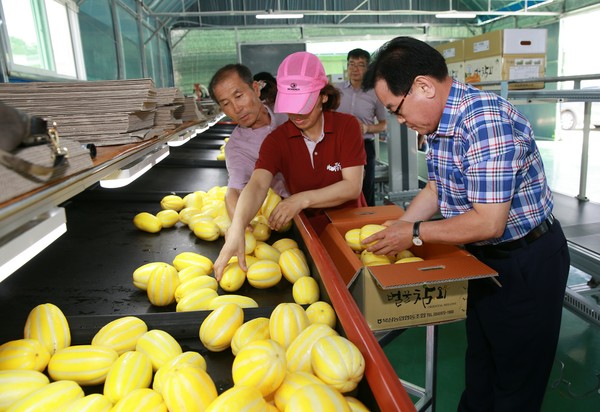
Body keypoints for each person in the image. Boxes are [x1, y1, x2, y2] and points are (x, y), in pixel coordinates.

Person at [361, 36, 570, 412]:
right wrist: (399, 225)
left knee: (516, 381)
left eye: (396, 110)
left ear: (423, 86)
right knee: (482, 364)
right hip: (483, 259)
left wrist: (412, 233)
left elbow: (489, 221)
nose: (400, 121)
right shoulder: (440, 122)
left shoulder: (484, 122)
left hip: (525, 263)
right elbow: (440, 186)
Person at [213, 51, 367, 281]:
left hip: (353, 230)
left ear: (323, 96)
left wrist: (300, 199)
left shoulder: (347, 126)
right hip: (309, 234)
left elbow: (352, 187)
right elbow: (256, 185)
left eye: (304, 103)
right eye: (291, 104)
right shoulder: (276, 141)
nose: (296, 113)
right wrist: (237, 227)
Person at [208, 64, 289, 219]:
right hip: (292, 211)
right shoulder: (237, 147)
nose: (236, 108)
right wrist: (239, 228)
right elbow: (235, 190)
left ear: (256, 89)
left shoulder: (287, 111)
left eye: (239, 96)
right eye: (226, 104)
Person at [335, 48, 387, 206]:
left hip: (364, 147)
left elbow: (384, 124)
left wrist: (367, 128)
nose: (355, 69)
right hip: (337, 146)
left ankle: (367, 222)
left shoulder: (375, 93)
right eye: (351, 64)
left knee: (365, 188)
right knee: (337, 187)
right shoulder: (336, 91)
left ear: (368, 68)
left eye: (360, 65)